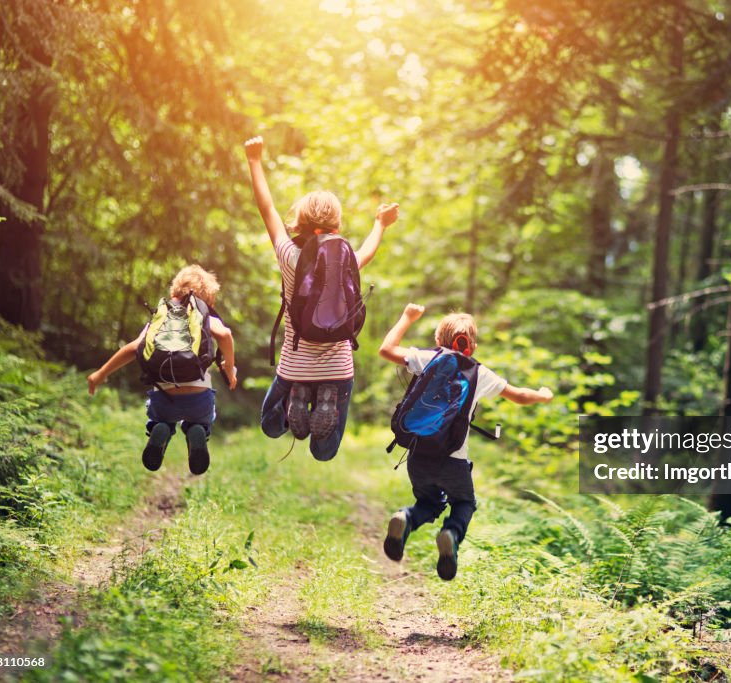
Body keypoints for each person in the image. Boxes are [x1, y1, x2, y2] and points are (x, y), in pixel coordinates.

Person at [244, 135, 399, 461]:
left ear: (300, 220)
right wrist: (380, 224)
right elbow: (368, 250)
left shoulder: (289, 255)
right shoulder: (346, 261)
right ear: (335, 223)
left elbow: (267, 208)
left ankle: (297, 394)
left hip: (294, 365)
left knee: (271, 426)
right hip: (338, 367)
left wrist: (254, 160)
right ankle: (323, 396)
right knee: (324, 451)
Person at [378, 303, 553, 580]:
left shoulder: (427, 357)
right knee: (463, 503)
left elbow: (386, 350)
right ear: (472, 345)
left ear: (439, 339)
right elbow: (519, 395)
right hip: (454, 461)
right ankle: (450, 534)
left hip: (418, 455)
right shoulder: (480, 373)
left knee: (429, 502)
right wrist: (543, 395)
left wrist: (407, 317)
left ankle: (406, 519)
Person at [87, 265, 238, 475]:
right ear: (208, 298)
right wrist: (229, 369)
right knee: (203, 419)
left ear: (174, 291)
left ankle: (162, 429)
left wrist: (100, 374)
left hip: (164, 400)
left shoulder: (161, 316)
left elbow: (133, 348)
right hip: (199, 399)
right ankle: (198, 431)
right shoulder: (203, 314)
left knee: (161, 418)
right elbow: (225, 335)